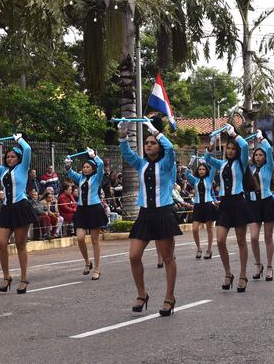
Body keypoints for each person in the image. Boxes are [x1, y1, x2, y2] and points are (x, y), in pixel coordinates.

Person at [120, 118, 181, 316]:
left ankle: (169, 297)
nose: (148, 145)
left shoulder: (166, 163)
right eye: (146, 142)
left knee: (168, 258)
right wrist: (123, 135)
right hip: (145, 214)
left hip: (163, 213)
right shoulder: (141, 164)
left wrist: (157, 132)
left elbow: (170, 149)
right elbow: (127, 153)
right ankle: (142, 293)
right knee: (134, 256)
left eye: (152, 142)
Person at [0, 134, 37, 294]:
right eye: (7, 157)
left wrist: (18, 139)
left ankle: (24, 278)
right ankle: (6, 276)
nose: (9, 159)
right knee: (0, 243)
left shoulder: (23, 167)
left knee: (20, 244)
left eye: (12, 157)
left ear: (18, 159)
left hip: (21, 207)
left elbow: (27, 149)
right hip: (7, 208)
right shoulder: (2, 170)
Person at [203, 123, 254, 293]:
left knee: (241, 241)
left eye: (233, 148)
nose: (230, 150)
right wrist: (211, 145)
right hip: (224, 204)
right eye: (228, 148)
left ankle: (243, 275)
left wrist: (234, 133)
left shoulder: (241, 163)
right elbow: (207, 160)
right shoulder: (222, 164)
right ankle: (228, 273)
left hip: (239, 202)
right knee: (220, 240)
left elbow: (245, 145)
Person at [65, 148, 107, 280]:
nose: (85, 169)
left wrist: (94, 156)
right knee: (80, 238)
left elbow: (101, 165)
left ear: (93, 169)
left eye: (87, 167)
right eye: (83, 166)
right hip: (82, 210)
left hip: (94, 209)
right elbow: (70, 173)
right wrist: (67, 164)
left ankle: (97, 269)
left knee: (95, 241)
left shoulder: (97, 177)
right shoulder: (80, 178)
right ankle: (87, 262)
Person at [248, 131, 274, 281]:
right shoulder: (250, 169)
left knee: (268, 237)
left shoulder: (268, 166)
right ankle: (257, 264)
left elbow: (268, 149)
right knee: (254, 238)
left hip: (267, 202)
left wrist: (261, 139)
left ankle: (269, 266)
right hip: (253, 204)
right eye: (256, 155)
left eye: (261, 155)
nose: (258, 157)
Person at [184, 158, 217, 260]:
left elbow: (214, 167)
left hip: (208, 205)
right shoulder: (195, 180)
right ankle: (199, 248)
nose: (201, 171)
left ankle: (209, 250)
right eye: (199, 169)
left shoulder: (209, 178)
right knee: (194, 229)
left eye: (203, 169)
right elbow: (186, 174)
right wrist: (191, 163)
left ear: (206, 170)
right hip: (198, 206)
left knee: (209, 229)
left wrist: (206, 161)